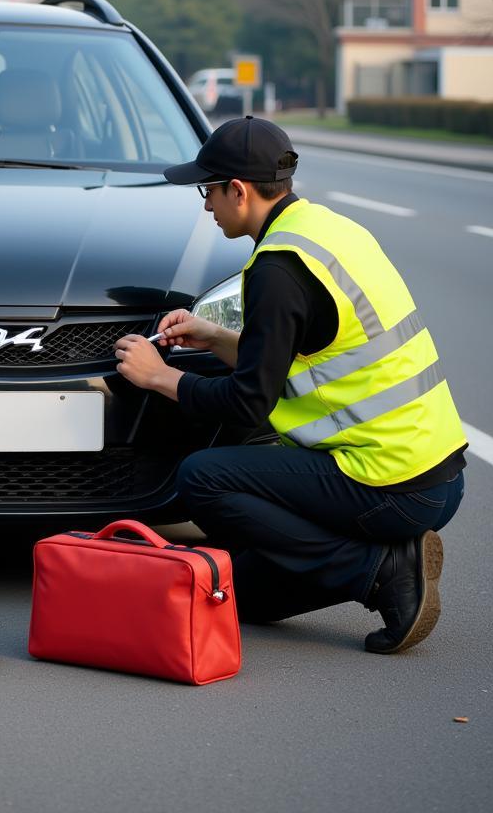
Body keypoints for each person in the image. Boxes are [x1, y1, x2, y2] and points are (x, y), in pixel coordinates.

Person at [114, 116, 466, 654]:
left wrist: (159, 376)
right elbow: (302, 357)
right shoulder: (326, 231)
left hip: (387, 480)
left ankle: (383, 570)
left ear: (239, 190)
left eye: (208, 190)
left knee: (202, 479)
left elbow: (248, 402)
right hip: (433, 471)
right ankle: (374, 559)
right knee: (245, 598)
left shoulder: (278, 268)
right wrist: (212, 336)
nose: (206, 205)